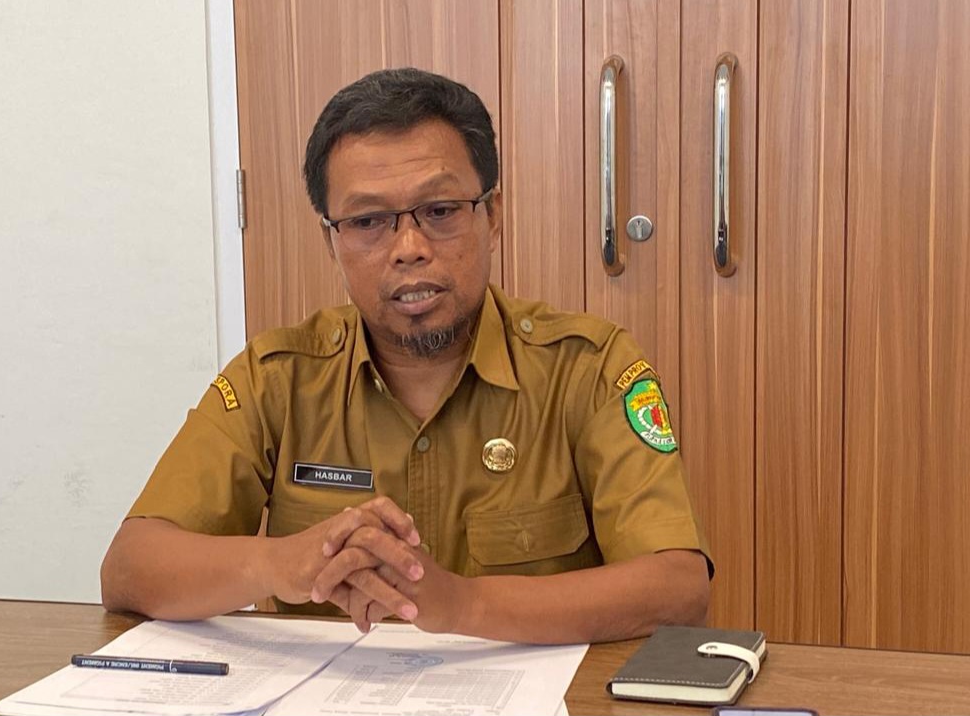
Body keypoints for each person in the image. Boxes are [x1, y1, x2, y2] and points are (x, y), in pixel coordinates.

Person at [101, 68, 711, 645]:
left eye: (440, 212)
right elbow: (130, 568)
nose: (409, 247)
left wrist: (463, 604)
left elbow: (678, 588)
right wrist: (277, 563)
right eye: (369, 220)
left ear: (493, 216)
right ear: (331, 242)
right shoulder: (278, 379)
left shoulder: (589, 368)